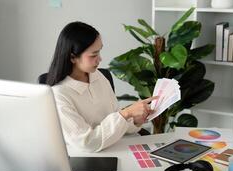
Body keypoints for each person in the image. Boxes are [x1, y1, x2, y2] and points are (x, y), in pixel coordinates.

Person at [47, 21, 157, 152]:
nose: (100, 59)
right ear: (72, 57)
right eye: (93, 55)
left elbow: (117, 119)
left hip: (117, 147)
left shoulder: (98, 76)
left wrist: (135, 120)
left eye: (99, 52)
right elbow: (86, 142)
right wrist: (126, 113)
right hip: (88, 160)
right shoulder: (58, 95)